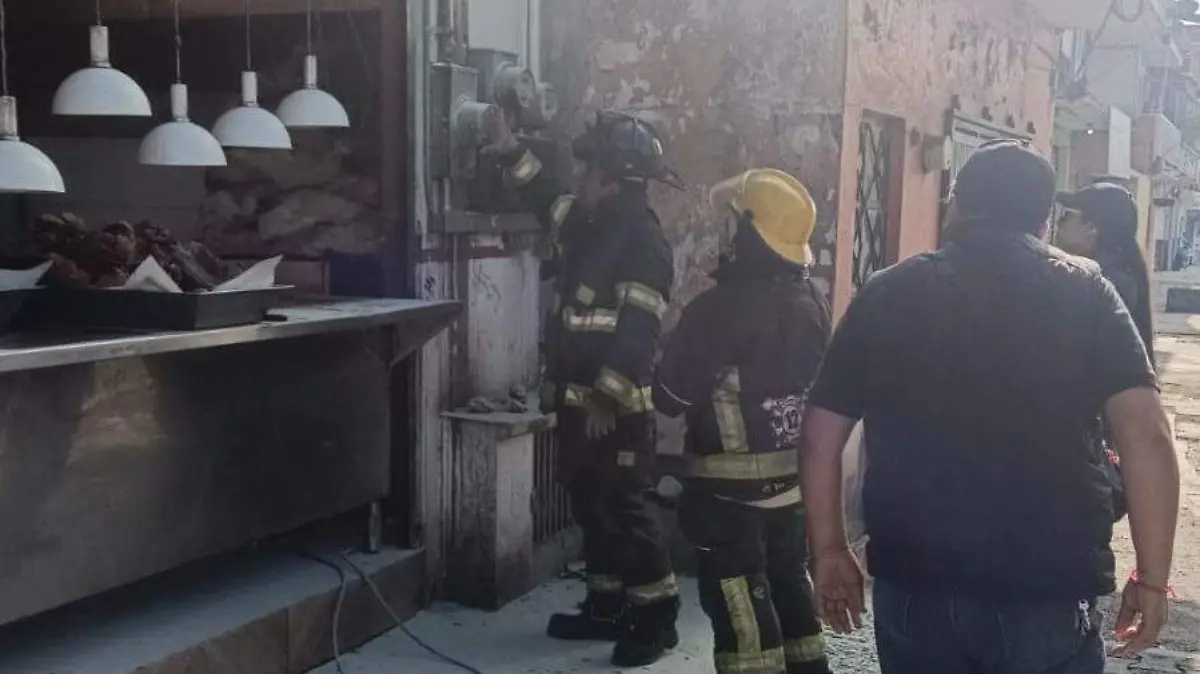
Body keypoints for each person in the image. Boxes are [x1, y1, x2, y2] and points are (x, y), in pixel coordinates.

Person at [798, 140, 1180, 674]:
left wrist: (830, 548)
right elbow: (1147, 436)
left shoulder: (888, 292)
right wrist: (1152, 578)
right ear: (1045, 220)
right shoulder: (1088, 292)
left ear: (955, 204)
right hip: (1046, 584)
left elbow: (820, 434)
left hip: (917, 580)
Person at [483, 108, 680, 667]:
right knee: (592, 507)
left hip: (616, 413)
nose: (579, 179)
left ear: (613, 179)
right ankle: (606, 606)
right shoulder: (592, 223)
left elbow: (640, 330)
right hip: (579, 407)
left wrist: (605, 398)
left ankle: (656, 621)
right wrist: (508, 148)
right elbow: (547, 198)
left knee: (626, 510)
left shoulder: (642, 241)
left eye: (589, 171)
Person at [654, 169, 834, 674]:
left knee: (741, 609)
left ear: (751, 232)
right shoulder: (811, 301)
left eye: (733, 222)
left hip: (728, 496)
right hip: (792, 490)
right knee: (789, 587)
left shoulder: (716, 309)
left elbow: (669, 396)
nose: (725, 233)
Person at [1056, 183, 1155, 366]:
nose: (1058, 223)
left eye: (1066, 215)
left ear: (1091, 227)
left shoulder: (1107, 283)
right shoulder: (1096, 274)